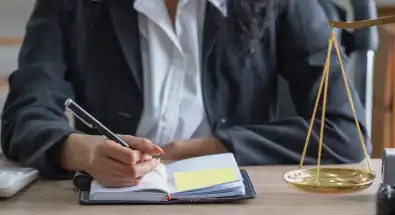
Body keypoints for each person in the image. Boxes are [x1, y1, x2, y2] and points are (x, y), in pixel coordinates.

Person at [1, 0, 371, 187]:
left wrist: (198, 149)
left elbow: (345, 132)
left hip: (235, 209)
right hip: (108, 203)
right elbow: (25, 110)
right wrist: (78, 148)